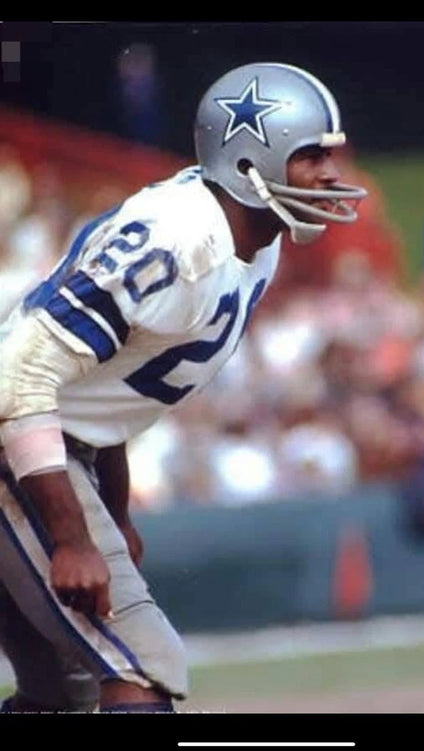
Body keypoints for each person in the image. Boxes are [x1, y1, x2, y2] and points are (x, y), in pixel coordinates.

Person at [0, 61, 367, 713]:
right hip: (21, 439)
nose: (331, 174)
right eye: (311, 155)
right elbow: (18, 376)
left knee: (63, 690)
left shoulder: (253, 242)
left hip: (48, 442)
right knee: (144, 664)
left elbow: (110, 388)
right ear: (249, 163)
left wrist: (114, 512)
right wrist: (73, 537)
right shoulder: (176, 242)